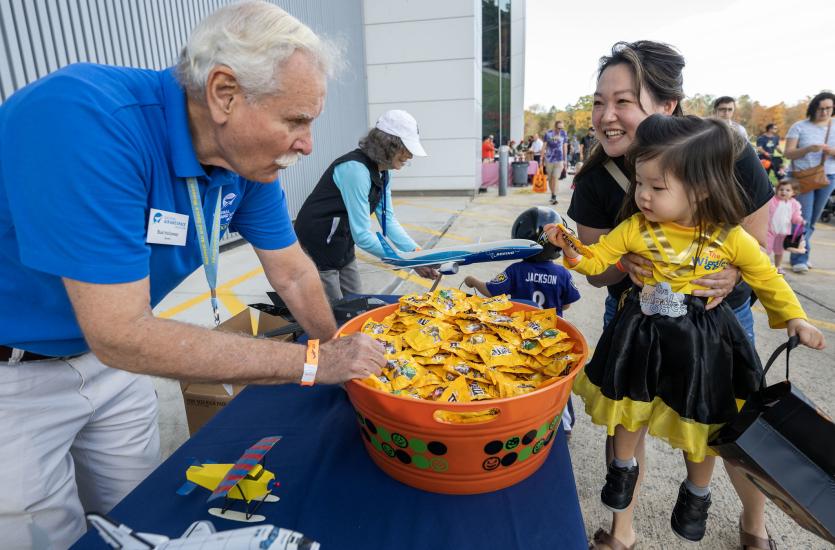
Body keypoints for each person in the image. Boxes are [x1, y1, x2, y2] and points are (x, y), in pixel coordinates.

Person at [0, 3, 387, 548]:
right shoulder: (85, 120)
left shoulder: (242, 161)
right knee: (44, 534)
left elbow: (295, 272)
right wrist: (313, 362)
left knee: (138, 514)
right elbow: (120, 332)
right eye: (295, 120)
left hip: (112, 366)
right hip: (15, 377)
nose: (307, 145)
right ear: (224, 93)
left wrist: (338, 356)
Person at [548, 114, 825, 546]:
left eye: (657, 188)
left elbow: (767, 278)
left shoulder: (729, 238)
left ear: (702, 190)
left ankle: (697, 494)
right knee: (629, 409)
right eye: (640, 183)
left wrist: (795, 317)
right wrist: (572, 251)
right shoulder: (635, 228)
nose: (642, 195)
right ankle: (622, 471)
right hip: (640, 337)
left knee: (703, 423)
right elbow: (598, 259)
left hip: (703, 345)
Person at [567, 41, 776, 550]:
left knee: (722, 434)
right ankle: (622, 529)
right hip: (638, 321)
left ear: (666, 106)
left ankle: (754, 525)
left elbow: (758, 245)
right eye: (598, 102)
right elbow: (596, 275)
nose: (606, 116)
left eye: (623, 101)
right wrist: (621, 266)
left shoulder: (727, 154)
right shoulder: (597, 178)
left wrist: (732, 280)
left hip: (717, 322)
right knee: (628, 419)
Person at [295, 110, 439, 301]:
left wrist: (417, 255)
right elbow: (362, 235)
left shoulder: (384, 172)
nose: (410, 156)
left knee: (356, 302)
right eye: (407, 148)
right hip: (318, 241)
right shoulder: (354, 169)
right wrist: (406, 261)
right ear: (389, 145)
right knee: (334, 309)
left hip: (343, 240)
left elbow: (388, 220)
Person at [463, 206, 581, 436]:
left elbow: (490, 291)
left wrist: (473, 281)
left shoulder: (515, 270)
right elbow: (566, 304)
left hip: (518, 336)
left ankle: (520, 418)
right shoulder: (563, 275)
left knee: (521, 377)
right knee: (556, 378)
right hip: (550, 339)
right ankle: (564, 426)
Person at [783, 91, 835, 274]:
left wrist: (831, 152)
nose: (824, 112)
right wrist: (807, 149)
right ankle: (799, 258)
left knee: (812, 220)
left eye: (828, 108)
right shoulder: (800, 126)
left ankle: (802, 251)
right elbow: (788, 153)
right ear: (813, 108)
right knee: (800, 219)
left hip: (828, 176)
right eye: (820, 108)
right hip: (802, 177)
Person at [767, 180, 805, 273]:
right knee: (766, 249)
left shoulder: (794, 204)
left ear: (793, 192)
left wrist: (799, 220)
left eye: (788, 190)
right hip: (769, 230)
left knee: (779, 251)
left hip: (783, 232)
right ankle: (764, 265)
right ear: (777, 190)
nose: (784, 192)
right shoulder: (773, 200)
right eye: (781, 189)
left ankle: (778, 266)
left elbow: (795, 216)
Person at [543, 120, 568, 204]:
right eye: (558, 128)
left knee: (555, 178)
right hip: (549, 159)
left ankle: (554, 196)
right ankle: (552, 193)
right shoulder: (548, 134)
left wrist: (565, 161)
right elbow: (544, 146)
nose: (560, 130)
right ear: (555, 127)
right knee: (550, 179)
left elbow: (565, 147)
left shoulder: (564, 134)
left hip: (559, 159)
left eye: (562, 128)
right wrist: (541, 158)